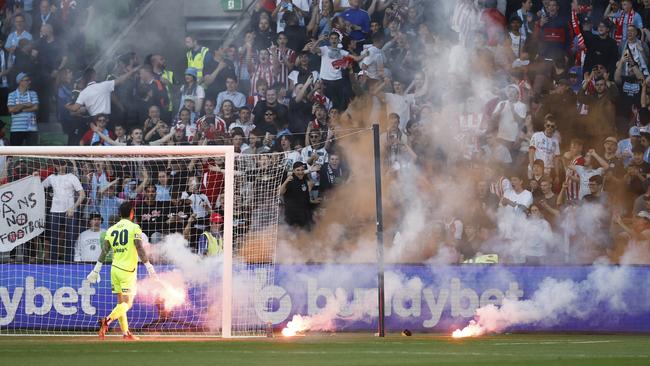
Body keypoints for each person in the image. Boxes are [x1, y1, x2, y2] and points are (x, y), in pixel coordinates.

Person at [86, 201, 159, 340]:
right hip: (127, 271)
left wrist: (96, 271)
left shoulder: (111, 229)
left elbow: (104, 251)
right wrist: (150, 268)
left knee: (121, 303)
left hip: (114, 270)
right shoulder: (134, 227)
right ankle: (107, 320)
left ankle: (126, 333)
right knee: (128, 303)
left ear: (120, 214)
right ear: (132, 213)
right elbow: (139, 248)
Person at [42, 159, 85, 262]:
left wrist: (73, 207)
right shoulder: (51, 178)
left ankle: (69, 262)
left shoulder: (72, 177)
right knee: (54, 239)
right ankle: (53, 262)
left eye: (62, 164)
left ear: (65, 164)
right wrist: (34, 177)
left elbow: (82, 194)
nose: (60, 166)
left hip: (69, 211)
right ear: (55, 165)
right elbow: (39, 186)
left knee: (70, 238)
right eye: (57, 164)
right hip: (54, 211)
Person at [66, 66, 140, 117]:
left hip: (95, 121)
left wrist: (66, 106)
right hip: (106, 119)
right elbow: (120, 80)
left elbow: (74, 108)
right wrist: (132, 71)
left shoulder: (83, 93)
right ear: (94, 75)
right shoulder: (104, 85)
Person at [7, 72, 39, 145]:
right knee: (14, 154)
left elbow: (35, 107)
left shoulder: (33, 93)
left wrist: (20, 109)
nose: (29, 82)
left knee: (32, 154)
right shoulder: (12, 95)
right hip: (16, 129)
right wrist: (26, 104)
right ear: (20, 82)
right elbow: (11, 110)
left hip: (31, 128)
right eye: (27, 80)